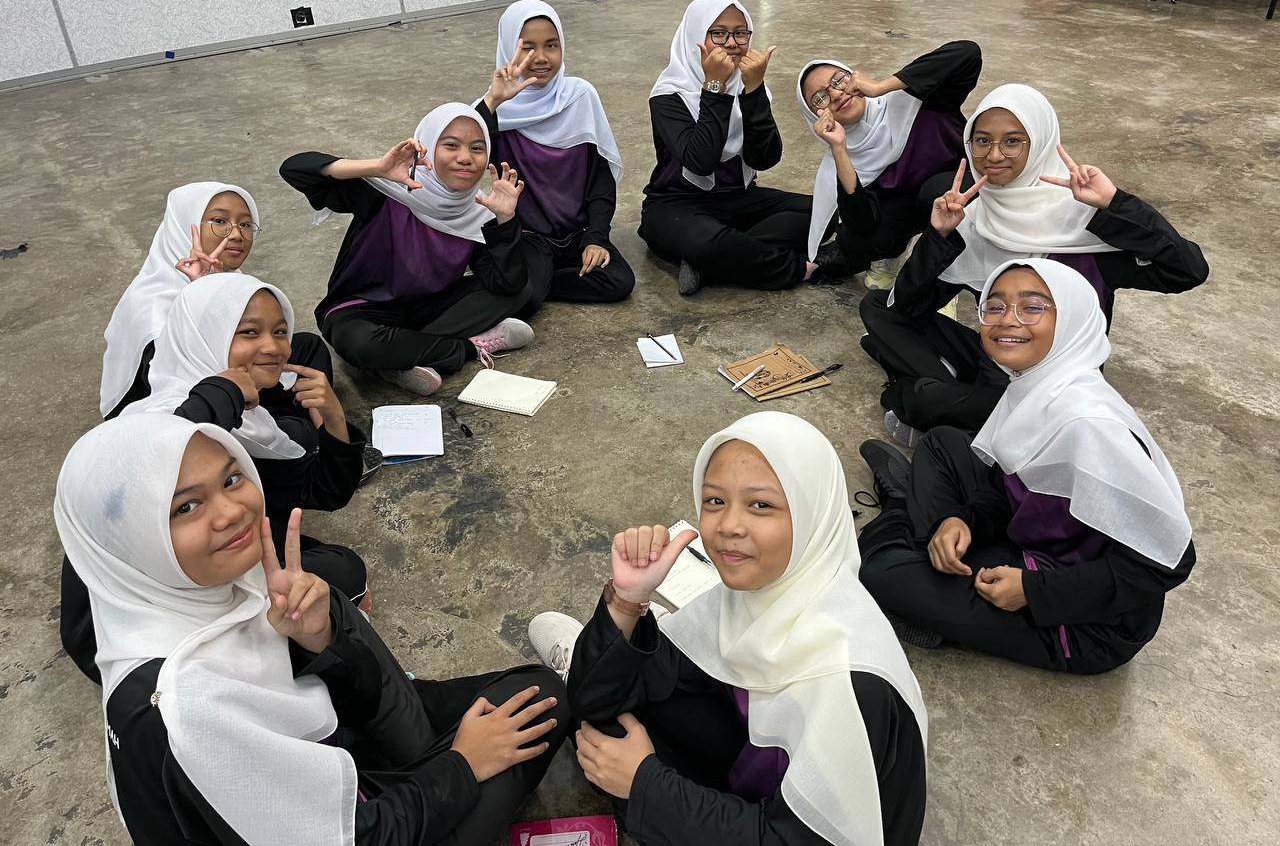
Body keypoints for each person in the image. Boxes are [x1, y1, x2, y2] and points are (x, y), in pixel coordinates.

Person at [55, 413, 568, 845]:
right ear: (131, 542)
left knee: (533, 692)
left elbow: (351, 699)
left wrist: (318, 636)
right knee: (541, 706)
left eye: (231, 479)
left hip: (341, 764)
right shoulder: (185, 710)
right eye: (186, 507)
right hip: (358, 825)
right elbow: (355, 837)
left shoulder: (210, 597)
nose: (232, 512)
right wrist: (462, 765)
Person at [529, 412, 928, 845]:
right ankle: (605, 651)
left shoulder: (850, 682)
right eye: (715, 500)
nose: (728, 526)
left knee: (611, 756)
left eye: (761, 505)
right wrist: (627, 599)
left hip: (805, 832)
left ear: (812, 516)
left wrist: (645, 784)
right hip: (755, 769)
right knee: (602, 717)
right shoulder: (757, 596)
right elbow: (593, 700)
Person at [857, 259, 1196, 673]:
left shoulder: (1089, 426)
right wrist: (961, 521)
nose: (1007, 320)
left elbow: (1170, 560)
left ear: (1071, 320)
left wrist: (1032, 590)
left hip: (1085, 622)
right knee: (943, 442)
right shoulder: (1041, 385)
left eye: (1032, 307)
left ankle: (900, 509)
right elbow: (1010, 489)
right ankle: (930, 544)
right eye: (995, 306)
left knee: (879, 571)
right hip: (1036, 543)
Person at [62, 274, 370, 685]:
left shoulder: (253, 425)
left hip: (203, 568)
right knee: (338, 583)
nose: (273, 347)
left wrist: (333, 418)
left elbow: (326, 491)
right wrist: (220, 393)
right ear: (202, 337)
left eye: (280, 331)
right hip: (134, 627)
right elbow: (155, 461)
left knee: (336, 568)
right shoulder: (151, 421)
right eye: (249, 332)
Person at [859, 83, 1209, 445]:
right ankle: (957, 399)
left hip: (1054, 385)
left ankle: (935, 394)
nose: (994, 155)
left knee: (920, 400)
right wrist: (939, 235)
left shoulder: (1081, 223)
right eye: (982, 141)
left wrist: (1116, 203)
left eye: (1012, 141)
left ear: (1040, 142)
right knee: (877, 307)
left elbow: (1187, 271)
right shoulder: (976, 218)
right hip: (995, 358)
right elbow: (906, 306)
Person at [280, 102, 536, 397]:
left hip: (431, 308)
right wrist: (375, 167)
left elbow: (507, 284)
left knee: (521, 290)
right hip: (364, 311)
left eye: (477, 148)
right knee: (359, 343)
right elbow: (294, 169)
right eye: (451, 145)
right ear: (427, 146)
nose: (465, 158)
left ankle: (397, 357)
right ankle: (467, 346)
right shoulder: (386, 191)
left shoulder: (476, 209)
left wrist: (505, 220)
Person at [99, 182, 332, 419]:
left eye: (245, 224)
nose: (237, 235)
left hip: (224, 378)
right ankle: (303, 430)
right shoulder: (150, 303)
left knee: (308, 348)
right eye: (220, 221)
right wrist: (198, 291)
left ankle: (324, 424)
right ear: (183, 226)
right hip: (177, 406)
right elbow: (178, 373)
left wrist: (211, 287)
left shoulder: (227, 277)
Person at [637, 0, 814, 295]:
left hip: (738, 198)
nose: (732, 43)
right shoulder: (668, 96)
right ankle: (795, 268)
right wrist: (714, 88)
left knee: (822, 212)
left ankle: (712, 262)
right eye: (718, 33)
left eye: (740, 33)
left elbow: (764, 159)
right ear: (695, 38)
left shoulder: (748, 86)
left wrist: (755, 89)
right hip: (676, 204)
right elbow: (700, 161)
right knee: (702, 241)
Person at [473, 0, 634, 314]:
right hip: (528, 237)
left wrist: (596, 238)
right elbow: (469, 155)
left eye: (551, 45)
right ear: (508, 48)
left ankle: (531, 283)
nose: (541, 58)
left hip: (575, 235)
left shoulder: (580, 96)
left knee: (619, 281)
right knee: (527, 302)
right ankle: (528, 284)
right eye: (527, 48)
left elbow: (600, 181)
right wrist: (493, 100)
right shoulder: (495, 109)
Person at [796, 41, 982, 286]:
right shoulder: (839, 158)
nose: (836, 94)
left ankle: (944, 274)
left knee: (936, 191)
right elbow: (861, 225)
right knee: (853, 241)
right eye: (820, 98)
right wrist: (839, 148)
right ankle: (892, 253)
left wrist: (881, 87)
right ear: (814, 117)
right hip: (910, 210)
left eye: (838, 80)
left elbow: (968, 53)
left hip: (960, 189)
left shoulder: (914, 99)